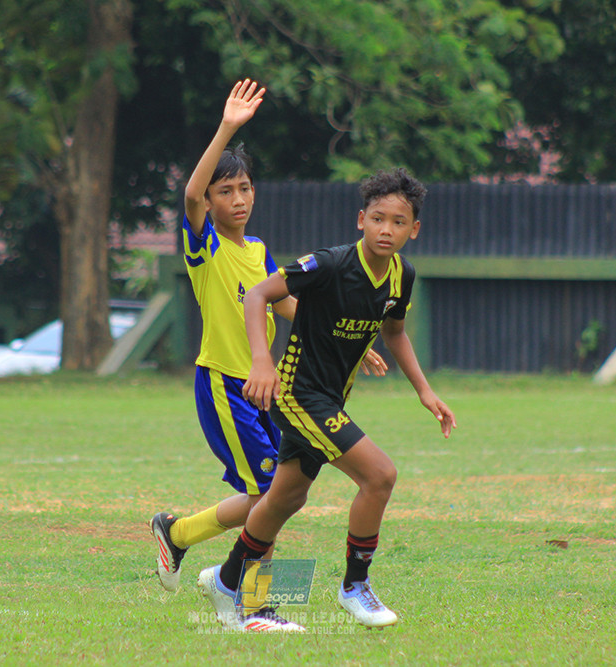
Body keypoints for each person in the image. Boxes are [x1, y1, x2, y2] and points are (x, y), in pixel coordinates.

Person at [150, 80, 387, 632]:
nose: (238, 198)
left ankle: (179, 534)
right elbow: (187, 195)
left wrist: (357, 341)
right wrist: (229, 127)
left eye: (245, 188)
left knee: (273, 494)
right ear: (209, 201)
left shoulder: (257, 251)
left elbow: (287, 309)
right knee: (269, 496)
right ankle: (250, 608)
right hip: (226, 385)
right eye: (225, 190)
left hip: (267, 390)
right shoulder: (203, 244)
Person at [197, 167, 457, 633]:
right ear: (361, 219)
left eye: (399, 222)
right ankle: (355, 586)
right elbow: (258, 295)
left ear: (413, 229)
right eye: (378, 218)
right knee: (380, 475)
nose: (387, 229)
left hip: (332, 398)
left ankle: (228, 581)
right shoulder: (330, 264)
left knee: (284, 499)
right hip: (298, 395)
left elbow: (395, 331)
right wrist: (261, 360)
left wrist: (424, 389)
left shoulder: (402, 276)